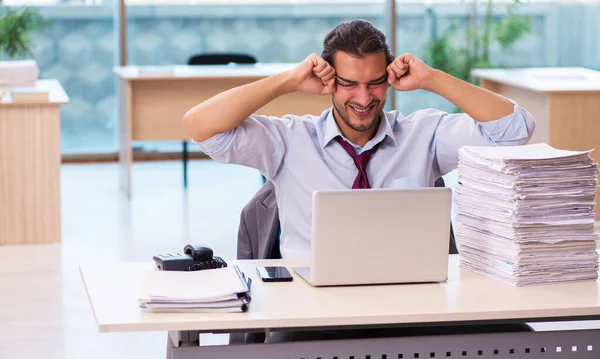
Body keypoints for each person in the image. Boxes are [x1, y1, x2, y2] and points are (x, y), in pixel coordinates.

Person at [183, 19, 535, 260]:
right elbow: (202, 126)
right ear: (329, 80)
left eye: (374, 83)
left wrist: (433, 79)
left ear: (390, 76)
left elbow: (514, 130)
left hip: (411, 305)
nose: (364, 99)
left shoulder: (423, 134)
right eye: (349, 84)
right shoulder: (290, 140)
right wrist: (287, 81)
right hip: (313, 309)